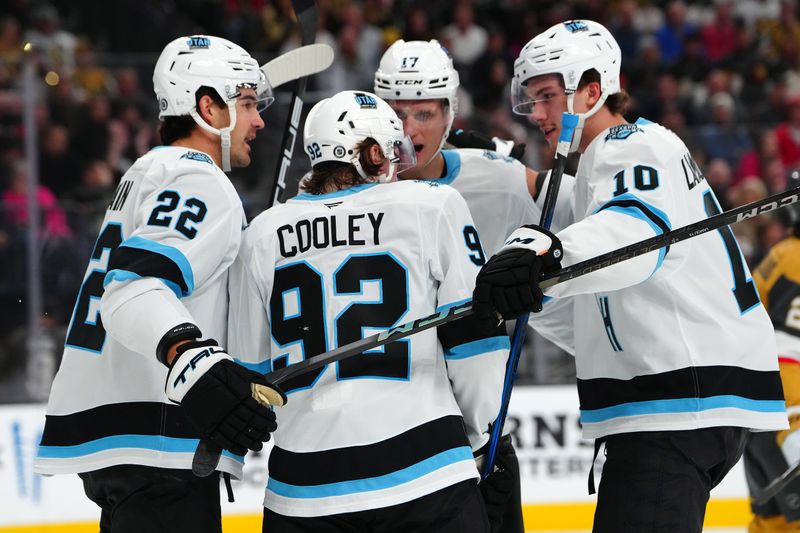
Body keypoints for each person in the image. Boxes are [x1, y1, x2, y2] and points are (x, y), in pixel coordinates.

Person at [472, 19, 788, 533]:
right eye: (531, 100)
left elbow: (634, 236)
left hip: (676, 405)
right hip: (676, 403)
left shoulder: (632, 145)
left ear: (593, 90)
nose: (539, 115)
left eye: (549, 96)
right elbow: (598, 297)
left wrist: (545, 257)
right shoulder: (603, 170)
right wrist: (524, 292)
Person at [227, 90, 510, 532]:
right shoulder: (430, 204)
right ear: (373, 152)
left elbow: (250, 372)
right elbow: (475, 341)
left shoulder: (262, 233)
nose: (398, 164)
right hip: (426, 473)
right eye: (393, 151)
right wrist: (482, 435)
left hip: (303, 491)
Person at [34, 35, 284, 533]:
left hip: (122, 437)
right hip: (158, 438)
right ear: (207, 106)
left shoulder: (149, 171)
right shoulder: (200, 179)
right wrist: (191, 358)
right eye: (248, 103)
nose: (258, 120)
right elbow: (132, 286)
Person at [373, 38, 573, 533]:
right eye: (395, 113)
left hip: (479, 428)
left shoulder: (498, 177)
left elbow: (580, 205)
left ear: (449, 114)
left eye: (423, 114)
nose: (407, 130)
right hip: (386, 426)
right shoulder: (346, 192)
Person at [744, 178, 800, 533]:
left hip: (758, 395)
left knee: (770, 522)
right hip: (790, 393)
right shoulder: (790, 254)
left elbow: (745, 310)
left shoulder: (783, 253)